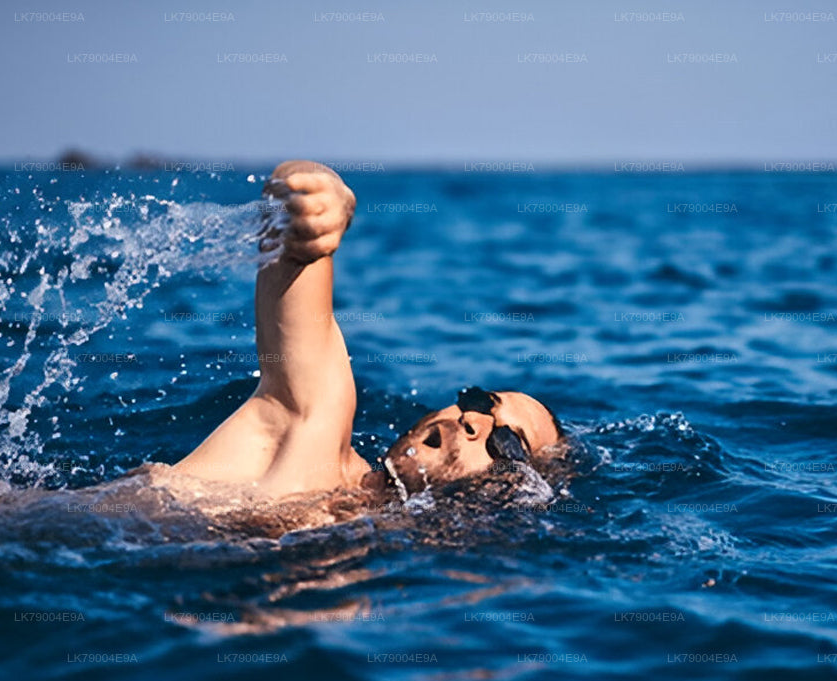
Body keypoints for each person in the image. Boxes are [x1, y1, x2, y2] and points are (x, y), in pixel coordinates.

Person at [161, 161, 565, 508]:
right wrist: (317, 201)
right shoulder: (311, 433)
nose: (473, 421)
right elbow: (294, 251)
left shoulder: (397, 562)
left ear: (517, 483)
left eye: (508, 442)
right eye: (480, 401)